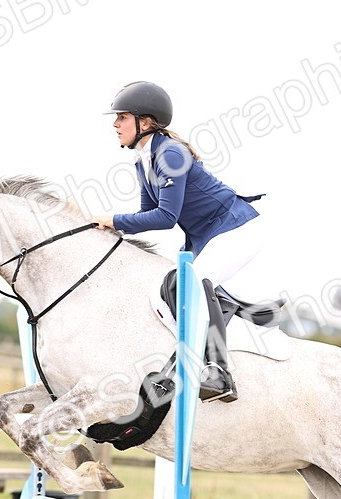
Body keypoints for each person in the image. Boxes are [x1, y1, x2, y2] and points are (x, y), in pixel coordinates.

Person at [92, 81, 266, 404]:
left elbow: (166, 217)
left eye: (122, 117)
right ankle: (189, 356)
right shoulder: (143, 159)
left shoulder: (170, 154)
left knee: (195, 283)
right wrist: (111, 230)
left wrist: (115, 219)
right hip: (208, 236)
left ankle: (219, 373)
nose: (115, 124)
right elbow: (148, 215)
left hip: (236, 228)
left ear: (145, 122)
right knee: (165, 292)